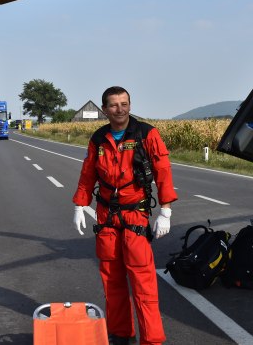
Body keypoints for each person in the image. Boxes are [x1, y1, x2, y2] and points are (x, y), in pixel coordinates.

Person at [72, 86, 178, 345]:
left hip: (135, 217)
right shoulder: (98, 139)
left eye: (124, 103)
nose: (120, 109)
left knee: (144, 284)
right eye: (114, 105)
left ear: (130, 105)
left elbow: (163, 171)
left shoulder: (146, 134)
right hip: (107, 217)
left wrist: (165, 211)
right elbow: (88, 175)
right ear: (105, 109)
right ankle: (121, 334)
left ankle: (151, 340)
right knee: (112, 281)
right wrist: (79, 205)